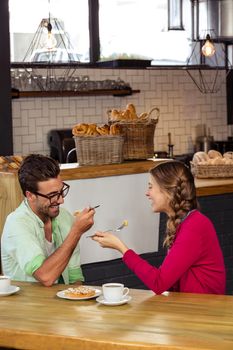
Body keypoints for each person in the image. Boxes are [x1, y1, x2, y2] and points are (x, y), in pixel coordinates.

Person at [92, 160, 226, 295]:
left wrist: (121, 248)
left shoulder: (194, 227)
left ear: (168, 191)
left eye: (151, 187)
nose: (147, 193)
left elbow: (159, 283)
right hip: (188, 305)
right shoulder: (185, 222)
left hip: (204, 310)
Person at [1, 154, 95, 286]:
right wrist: (76, 232)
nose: (61, 200)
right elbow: (46, 277)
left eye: (61, 191)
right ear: (30, 195)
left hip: (60, 304)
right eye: (52, 195)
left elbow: (75, 277)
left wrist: (77, 302)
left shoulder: (65, 217)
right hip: (26, 306)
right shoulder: (16, 224)